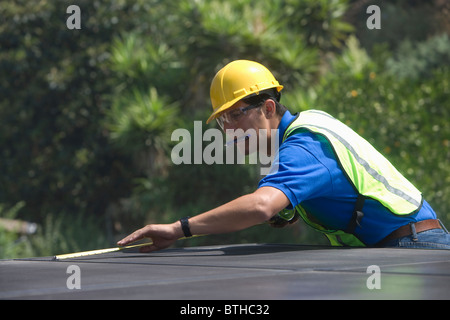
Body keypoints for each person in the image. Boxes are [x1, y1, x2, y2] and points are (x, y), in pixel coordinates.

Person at [118, 59, 450, 251]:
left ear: (269, 107)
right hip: (397, 246)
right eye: (222, 119)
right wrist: (289, 210)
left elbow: (262, 206)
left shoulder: (304, 145)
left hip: (412, 247)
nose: (229, 128)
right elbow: (334, 190)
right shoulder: (306, 128)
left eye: (237, 114)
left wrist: (179, 229)